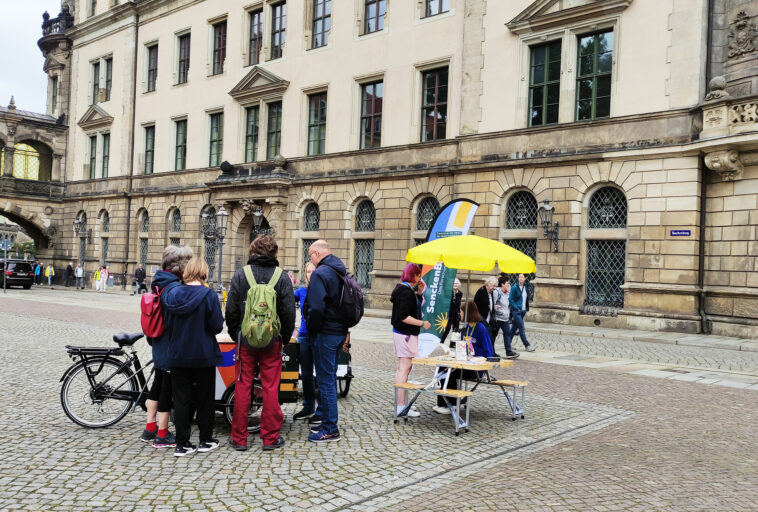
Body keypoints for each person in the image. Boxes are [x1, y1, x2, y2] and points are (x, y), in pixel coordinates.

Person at [226, 235, 295, 451]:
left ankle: (239, 438)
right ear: (274, 253)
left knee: (243, 385)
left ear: (252, 251)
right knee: (270, 387)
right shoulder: (282, 278)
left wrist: (236, 334)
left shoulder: (240, 275)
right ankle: (270, 437)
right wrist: (282, 338)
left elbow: (231, 311)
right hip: (272, 341)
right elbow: (289, 314)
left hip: (245, 341)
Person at [162, 255, 224, 457]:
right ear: (204, 273)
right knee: (205, 399)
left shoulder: (172, 294)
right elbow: (216, 326)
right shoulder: (209, 296)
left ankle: (182, 444)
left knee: (181, 399)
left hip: (178, 353)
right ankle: (205, 439)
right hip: (203, 354)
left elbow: (167, 324)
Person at [140, 245, 193, 449]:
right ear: (181, 267)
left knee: (158, 383)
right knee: (167, 388)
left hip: (159, 341)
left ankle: (150, 427)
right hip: (170, 343)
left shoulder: (159, 282)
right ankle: (162, 434)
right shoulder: (174, 288)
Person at [303, 239, 349, 443]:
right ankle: (326, 421)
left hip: (325, 332)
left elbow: (316, 307)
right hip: (339, 330)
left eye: (310, 255)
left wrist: (312, 330)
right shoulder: (340, 270)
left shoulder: (321, 273)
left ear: (315, 253)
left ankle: (331, 428)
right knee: (328, 377)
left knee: (326, 380)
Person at [390, 263, 430, 418]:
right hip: (405, 334)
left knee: (405, 369)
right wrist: (422, 323)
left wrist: (420, 293)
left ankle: (402, 404)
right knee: (403, 369)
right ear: (413, 275)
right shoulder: (405, 292)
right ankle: (400, 406)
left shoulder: (405, 290)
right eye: (418, 275)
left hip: (404, 334)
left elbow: (411, 309)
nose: (420, 278)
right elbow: (404, 316)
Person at [293, 262, 317, 421]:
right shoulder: (301, 291)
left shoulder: (322, 290)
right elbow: (285, 299)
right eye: (308, 271)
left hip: (319, 336)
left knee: (322, 375)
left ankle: (322, 410)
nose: (310, 274)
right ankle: (308, 406)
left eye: (312, 271)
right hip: (304, 336)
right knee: (307, 374)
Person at [509, 273, 535, 352]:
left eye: (522, 277)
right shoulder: (514, 287)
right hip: (516, 311)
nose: (520, 278)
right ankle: (527, 345)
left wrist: (525, 308)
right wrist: (516, 308)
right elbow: (510, 299)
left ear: (525, 278)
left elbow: (525, 299)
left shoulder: (525, 287)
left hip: (523, 311)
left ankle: (507, 343)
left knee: (514, 328)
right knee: (521, 327)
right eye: (519, 277)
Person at [494, 276, 519, 359]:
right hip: (497, 318)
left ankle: (509, 352)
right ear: (502, 284)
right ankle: (491, 351)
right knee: (494, 335)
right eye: (507, 283)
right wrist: (497, 309)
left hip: (505, 318)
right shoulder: (496, 292)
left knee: (507, 334)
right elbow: (492, 304)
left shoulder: (508, 292)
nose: (509, 284)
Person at [473, 276, 499, 355]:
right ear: (488, 284)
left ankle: (492, 352)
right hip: (481, 317)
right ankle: (490, 353)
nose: (494, 288)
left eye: (495, 286)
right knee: (488, 335)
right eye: (493, 286)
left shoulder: (490, 292)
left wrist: (494, 308)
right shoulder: (481, 291)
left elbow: (490, 303)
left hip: (489, 317)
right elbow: (475, 304)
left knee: (492, 334)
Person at [440, 278, 463, 345]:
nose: (455, 285)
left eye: (456, 284)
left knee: (456, 330)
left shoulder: (460, 293)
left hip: (456, 313)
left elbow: (459, 304)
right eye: (454, 283)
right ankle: (441, 342)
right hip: (448, 313)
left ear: (459, 285)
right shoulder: (449, 293)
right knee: (447, 328)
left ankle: (453, 343)